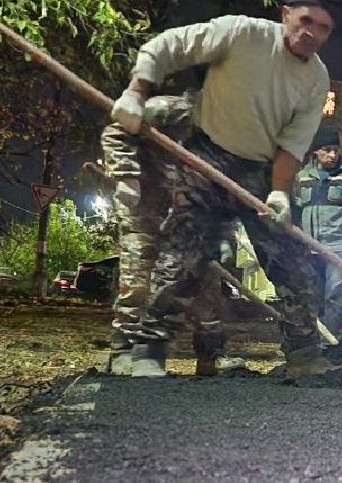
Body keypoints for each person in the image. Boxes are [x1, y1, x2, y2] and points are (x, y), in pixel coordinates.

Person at [109, 0, 335, 380]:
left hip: (262, 173)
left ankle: (304, 357)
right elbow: (167, 47)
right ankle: (149, 348)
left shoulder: (316, 79)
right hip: (206, 157)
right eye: (305, 21)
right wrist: (136, 93)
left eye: (323, 28)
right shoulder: (240, 33)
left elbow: (293, 146)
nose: (311, 34)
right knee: (185, 257)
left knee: (295, 265)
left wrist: (280, 193)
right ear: (286, 13)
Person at [100, 94, 245, 377]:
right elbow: (115, 132)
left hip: (189, 214)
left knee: (205, 281)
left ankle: (211, 354)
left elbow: (223, 186)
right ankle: (125, 351)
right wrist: (126, 175)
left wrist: (225, 233)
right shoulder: (165, 110)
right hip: (144, 204)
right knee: (138, 277)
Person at [293, 124, 342, 338]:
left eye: (336, 150)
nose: (332, 155)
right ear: (315, 150)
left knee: (335, 296)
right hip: (311, 246)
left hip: (341, 246)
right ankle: (315, 342)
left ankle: (329, 342)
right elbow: (295, 209)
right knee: (314, 297)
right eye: (327, 150)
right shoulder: (302, 176)